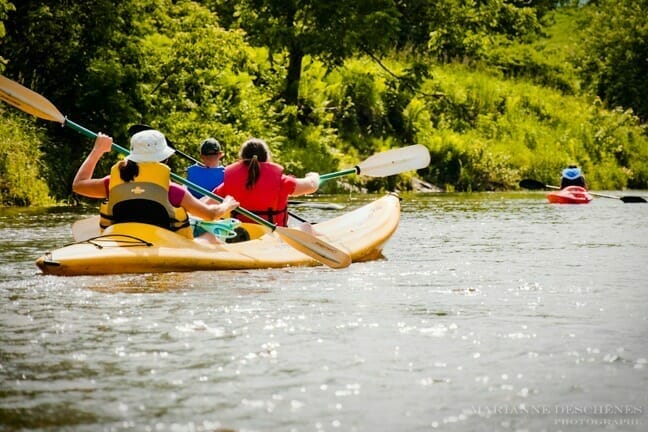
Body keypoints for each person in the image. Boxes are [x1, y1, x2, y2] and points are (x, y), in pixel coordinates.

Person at [72, 130, 239, 243]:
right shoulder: (173, 191)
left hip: (122, 238)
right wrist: (227, 204)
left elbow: (78, 185)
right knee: (209, 236)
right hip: (165, 243)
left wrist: (97, 150)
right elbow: (210, 215)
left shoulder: (112, 183)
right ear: (165, 158)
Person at [208, 138, 319, 227]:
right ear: (267, 157)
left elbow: (207, 204)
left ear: (241, 158)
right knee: (306, 227)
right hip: (273, 237)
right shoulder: (282, 181)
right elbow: (311, 186)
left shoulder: (229, 184)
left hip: (240, 237)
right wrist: (314, 176)